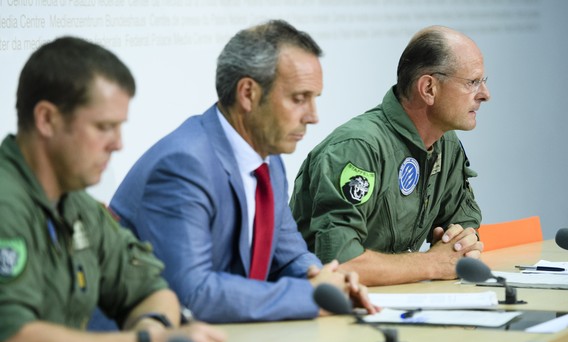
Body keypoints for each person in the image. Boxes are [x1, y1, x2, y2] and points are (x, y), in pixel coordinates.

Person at [110, 20, 377, 323]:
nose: (313, 117)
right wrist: (310, 295)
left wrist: (331, 280)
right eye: (299, 98)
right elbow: (194, 295)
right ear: (248, 94)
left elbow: (289, 256)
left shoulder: (268, 160)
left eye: (315, 99)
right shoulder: (184, 164)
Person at [0, 37, 225, 342]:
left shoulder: (77, 205)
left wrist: (153, 326)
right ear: (46, 119)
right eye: (104, 127)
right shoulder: (7, 203)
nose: (117, 143)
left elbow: (152, 288)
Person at [290, 25, 490, 287]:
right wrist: (433, 263)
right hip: (323, 312)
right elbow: (340, 264)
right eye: (472, 82)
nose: (485, 94)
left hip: (393, 304)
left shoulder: (446, 143)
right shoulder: (357, 148)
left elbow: (462, 225)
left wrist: (463, 241)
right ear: (429, 88)